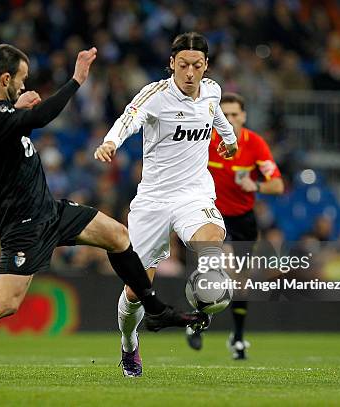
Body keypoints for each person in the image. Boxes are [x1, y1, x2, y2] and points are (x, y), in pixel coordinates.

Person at [0, 44, 206, 381]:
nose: (23, 84)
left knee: (118, 236)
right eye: (21, 78)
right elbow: (38, 118)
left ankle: (156, 310)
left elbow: (0, 120)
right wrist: (76, 81)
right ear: (5, 79)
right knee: (5, 303)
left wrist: (14, 106)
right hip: (22, 221)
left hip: (47, 208)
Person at [94, 32, 238, 377]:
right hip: (154, 201)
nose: (190, 73)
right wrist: (110, 142)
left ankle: (204, 295)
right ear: (172, 63)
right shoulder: (156, 95)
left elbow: (215, 113)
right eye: (184, 65)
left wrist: (229, 139)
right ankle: (129, 345)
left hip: (194, 193)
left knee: (211, 242)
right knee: (135, 290)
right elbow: (128, 119)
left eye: (197, 66)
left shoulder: (212, 91)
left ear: (206, 66)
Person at [185, 92, 284, 358]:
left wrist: (257, 185)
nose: (229, 120)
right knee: (218, 266)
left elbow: (278, 184)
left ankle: (237, 337)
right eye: (224, 115)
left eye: (234, 115)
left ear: (243, 116)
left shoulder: (255, 144)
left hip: (243, 220)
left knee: (240, 283)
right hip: (212, 214)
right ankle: (197, 323)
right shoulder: (207, 140)